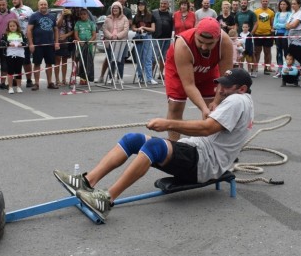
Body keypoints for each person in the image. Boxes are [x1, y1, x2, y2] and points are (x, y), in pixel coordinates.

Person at [53, 68, 254, 221]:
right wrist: (219, 97)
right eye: (220, 84)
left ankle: (106, 200)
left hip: (205, 163)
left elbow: (206, 129)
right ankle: (86, 181)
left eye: (226, 86)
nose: (220, 89)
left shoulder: (238, 101)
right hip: (197, 151)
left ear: (242, 89)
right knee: (133, 139)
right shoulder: (237, 99)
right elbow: (213, 117)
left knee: (154, 148)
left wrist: (168, 123)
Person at [163, 17, 233, 141]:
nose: (204, 47)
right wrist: (203, 108)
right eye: (200, 41)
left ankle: (214, 145)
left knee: (214, 106)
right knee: (176, 105)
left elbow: (225, 79)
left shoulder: (225, 42)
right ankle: (174, 146)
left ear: (217, 39)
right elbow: (189, 85)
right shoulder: (183, 44)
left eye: (210, 43)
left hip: (208, 69)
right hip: (178, 70)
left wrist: (216, 102)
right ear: (195, 33)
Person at [27, 0, 59, 90]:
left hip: (49, 44)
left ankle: (50, 83)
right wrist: (31, 44)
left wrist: (56, 42)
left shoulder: (52, 17)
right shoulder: (34, 16)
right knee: (37, 64)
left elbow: (56, 30)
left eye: (45, 4)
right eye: (41, 4)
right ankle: (36, 83)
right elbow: (29, 30)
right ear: (38, 6)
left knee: (49, 64)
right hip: (38, 45)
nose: (43, 6)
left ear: (47, 6)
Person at [10, 0, 35, 89]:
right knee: (15, 60)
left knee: (26, 61)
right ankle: (16, 80)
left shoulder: (28, 10)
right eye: (12, 0)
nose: (14, 1)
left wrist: (31, 39)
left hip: (25, 38)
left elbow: (33, 23)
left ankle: (29, 80)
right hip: (14, 39)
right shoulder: (11, 11)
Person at [102, 1, 130, 83]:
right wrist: (111, 36)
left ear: (120, 9)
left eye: (116, 8)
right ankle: (111, 78)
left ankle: (120, 78)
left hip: (121, 42)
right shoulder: (107, 19)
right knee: (111, 60)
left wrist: (117, 36)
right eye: (113, 8)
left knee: (120, 60)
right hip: (110, 41)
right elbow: (104, 29)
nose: (115, 9)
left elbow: (126, 30)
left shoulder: (125, 19)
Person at [132, 0, 156, 84]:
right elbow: (133, 27)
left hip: (147, 36)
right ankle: (140, 77)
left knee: (148, 57)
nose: (140, 6)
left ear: (145, 6)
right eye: (139, 5)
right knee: (139, 58)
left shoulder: (150, 16)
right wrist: (138, 29)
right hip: (139, 37)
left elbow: (153, 29)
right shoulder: (136, 16)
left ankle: (149, 77)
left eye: (142, 5)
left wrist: (144, 28)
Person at [0, 18, 27, 94]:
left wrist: (22, 44)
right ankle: (10, 87)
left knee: (18, 71)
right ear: (8, 27)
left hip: (20, 54)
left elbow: (26, 42)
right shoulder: (5, 34)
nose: (12, 27)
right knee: (10, 71)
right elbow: (2, 42)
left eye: (14, 26)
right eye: (10, 26)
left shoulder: (21, 34)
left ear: (17, 26)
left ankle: (18, 87)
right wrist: (8, 44)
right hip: (10, 54)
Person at [151, 0, 174, 77]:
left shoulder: (170, 15)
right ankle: (150, 75)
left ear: (168, 5)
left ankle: (161, 74)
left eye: (164, 3)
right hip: (156, 38)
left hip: (167, 39)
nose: (163, 5)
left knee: (163, 57)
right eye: (161, 3)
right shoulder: (154, 12)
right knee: (154, 57)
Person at [73, 8, 96, 85]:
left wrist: (90, 41)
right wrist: (80, 41)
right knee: (81, 61)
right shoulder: (78, 23)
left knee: (89, 61)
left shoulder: (91, 23)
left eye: (84, 14)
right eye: (81, 14)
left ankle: (88, 78)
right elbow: (76, 34)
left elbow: (94, 35)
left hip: (89, 45)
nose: (83, 16)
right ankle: (81, 78)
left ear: (87, 15)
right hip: (81, 45)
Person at [253, 0, 275, 75]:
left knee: (267, 52)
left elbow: (272, 24)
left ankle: (266, 68)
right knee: (257, 52)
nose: (265, 2)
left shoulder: (271, 12)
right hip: (258, 34)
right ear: (261, 2)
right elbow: (254, 23)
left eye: (266, 1)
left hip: (267, 34)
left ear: (268, 2)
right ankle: (255, 68)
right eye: (263, 1)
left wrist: (272, 29)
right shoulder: (256, 12)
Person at [235, 0, 257, 75]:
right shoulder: (238, 14)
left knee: (251, 55)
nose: (243, 4)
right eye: (242, 3)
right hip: (240, 37)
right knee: (241, 56)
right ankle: (241, 72)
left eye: (245, 3)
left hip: (249, 37)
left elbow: (255, 23)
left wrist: (251, 34)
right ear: (240, 4)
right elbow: (236, 25)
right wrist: (235, 34)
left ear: (247, 4)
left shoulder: (251, 13)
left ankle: (253, 71)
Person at [272, 0, 291, 78]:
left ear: (287, 5)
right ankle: (279, 70)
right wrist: (282, 25)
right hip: (278, 35)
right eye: (281, 4)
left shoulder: (289, 14)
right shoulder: (277, 14)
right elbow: (274, 25)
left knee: (286, 53)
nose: (282, 6)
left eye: (284, 4)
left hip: (285, 35)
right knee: (278, 53)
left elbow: (287, 25)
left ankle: (287, 70)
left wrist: (280, 25)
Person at [55, 8, 75, 86]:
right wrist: (63, 15)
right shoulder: (60, 14)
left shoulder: (72, 17)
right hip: (58, 40)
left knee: (64, 60)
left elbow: (73, 29)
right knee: (57, 60)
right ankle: (57, 80)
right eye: (66, 8)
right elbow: (57, 25)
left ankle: (64, 79)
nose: (67, 9)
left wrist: (66, 35)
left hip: (67, 40)